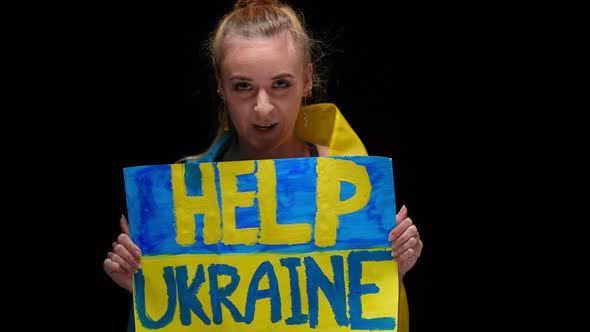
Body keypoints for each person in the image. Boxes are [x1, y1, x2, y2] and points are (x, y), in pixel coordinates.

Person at [103, 0, 424, 331]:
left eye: (280, 84)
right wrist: (144, 288)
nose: (263, 108)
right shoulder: (178, 195)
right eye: (243, 86)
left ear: (308, 79)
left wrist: (390, 272)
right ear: (220, 85)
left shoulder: (354, 186)